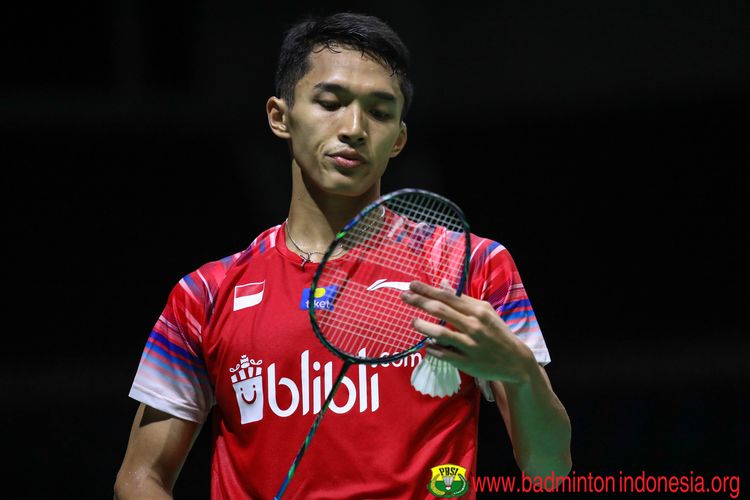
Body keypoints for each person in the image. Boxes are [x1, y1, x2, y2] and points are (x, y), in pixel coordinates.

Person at [114, 11, 571, 499]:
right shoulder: (204, 295)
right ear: (280, 116)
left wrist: (519, 371)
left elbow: (549, 468)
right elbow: (141, 478)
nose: (354, 127)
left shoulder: (469, 266)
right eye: (330, 103)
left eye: (379, 111)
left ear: (398, 138)